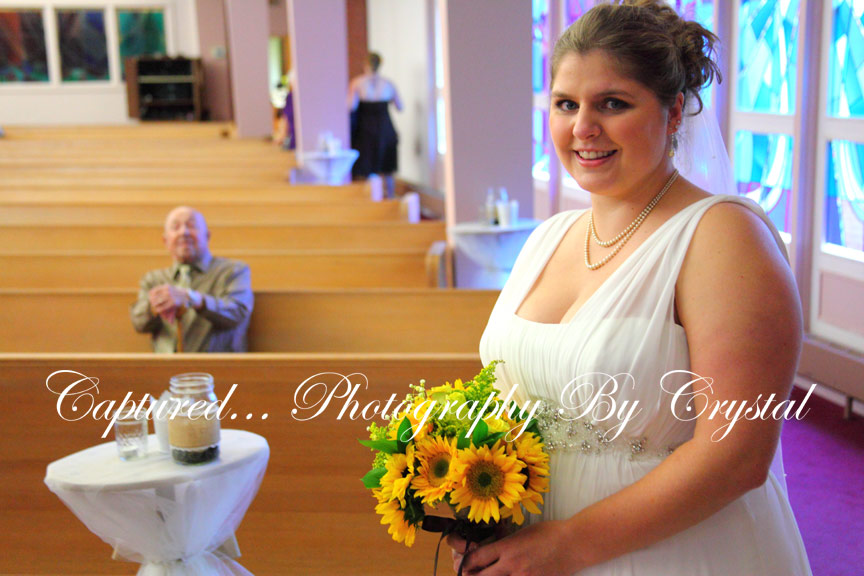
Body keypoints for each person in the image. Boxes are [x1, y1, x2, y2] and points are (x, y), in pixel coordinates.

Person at [449, 2, 813, 575]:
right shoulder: (548, 238)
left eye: (613, 104)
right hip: (537, 548)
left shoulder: (722, 236)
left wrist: (567, 545)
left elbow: (737, 455)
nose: (583, 128)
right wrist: (475, 502)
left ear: (674, 113)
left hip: (674, 553)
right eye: (566, 104)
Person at [130, 206, 254, 353]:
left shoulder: (233, 271)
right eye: (175, 227)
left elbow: (237, 314)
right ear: (165, 240)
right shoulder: (153, 279)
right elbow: (139, 324)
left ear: (207, 236)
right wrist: (154, 306)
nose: (184, 232)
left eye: (192, 225)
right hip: (165, 365)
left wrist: (194, 299)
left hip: (218, 364)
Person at [348, 51, 402, 198]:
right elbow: (400, 106)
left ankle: (370, 200)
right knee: (387, 169)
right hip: (384, 127)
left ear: (365, 65)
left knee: (366, 168)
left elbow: (351, 106)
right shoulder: (388, 84)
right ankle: (390, 199)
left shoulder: (357, 83)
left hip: (366, 128)